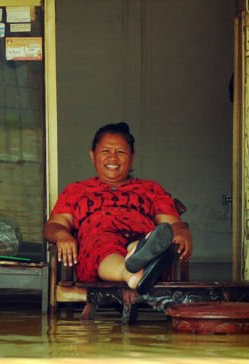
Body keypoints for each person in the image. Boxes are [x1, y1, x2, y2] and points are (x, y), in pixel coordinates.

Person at [43, 122, 192, 294]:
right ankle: (131, 272)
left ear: (132, 157)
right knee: (103, 244)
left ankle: (139, 251)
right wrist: (62, 235)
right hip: (97, 247)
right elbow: (54, 225)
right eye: (106, 151)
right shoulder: (76, 190)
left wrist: (182, 232)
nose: (113, 158)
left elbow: (172, 224)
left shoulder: (151, 189)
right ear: (92, 155)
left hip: (141, 236)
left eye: (120, 152)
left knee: (147, 241)